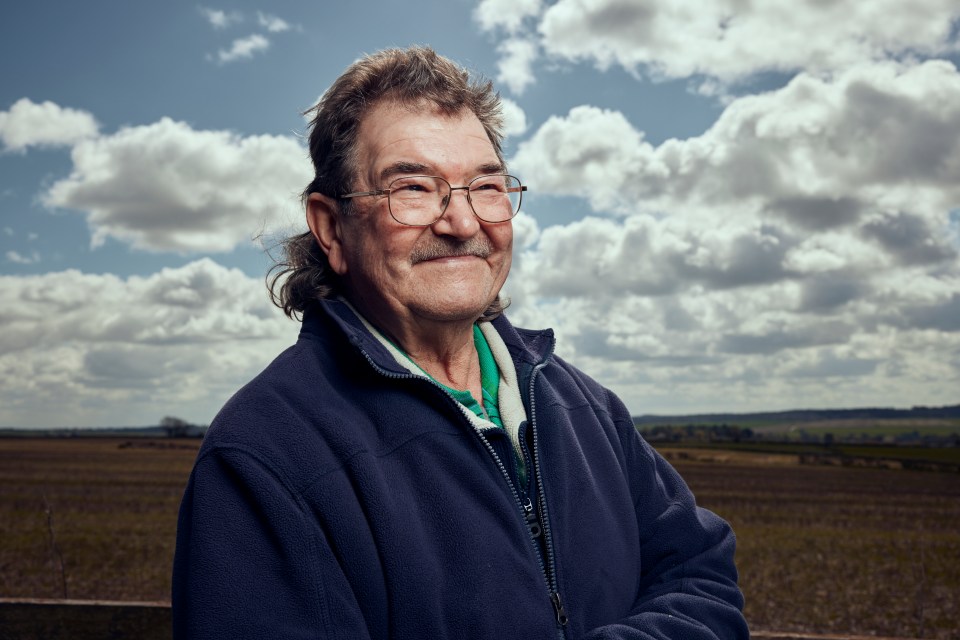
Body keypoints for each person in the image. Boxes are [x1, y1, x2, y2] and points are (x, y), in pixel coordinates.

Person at [172, 46, 748, 640]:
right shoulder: (264, 454)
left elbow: (700, 576)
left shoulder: (583, 406)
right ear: (330, 225)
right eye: (414, 188)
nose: (463, 223)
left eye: (486, 186)